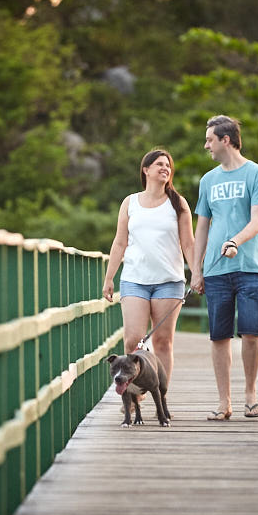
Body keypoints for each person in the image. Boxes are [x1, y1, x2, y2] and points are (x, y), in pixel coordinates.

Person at [190, 115, 258, 421]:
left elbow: (257, 221)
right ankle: (223, 401)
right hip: (215, 271)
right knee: (219, 336)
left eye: (210, 139)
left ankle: (250, 394)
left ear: (226, 140)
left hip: (250, 266)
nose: (206, 145)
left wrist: (235, 241)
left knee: (251, 331)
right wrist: (195, 270)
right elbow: (201, 228)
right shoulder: (208, 180)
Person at [103, 149, 195, 398]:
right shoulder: (130, 202)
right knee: (133, 340)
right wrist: (109, 277)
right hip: (134, 279)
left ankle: (160, 396)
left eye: (168, 165)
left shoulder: (178, 203)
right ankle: (134, 393)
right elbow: (120, 242)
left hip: (169, 281)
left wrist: (197, 272)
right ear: (146, 170)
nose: (165, 168)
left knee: (163, 341)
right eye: (159, 164)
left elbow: (188, 243)